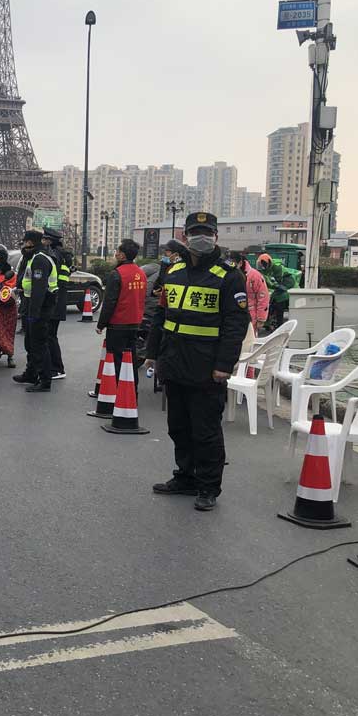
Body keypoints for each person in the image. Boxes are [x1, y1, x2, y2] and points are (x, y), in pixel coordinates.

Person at [145, 212, 248, 511]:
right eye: (194, 232)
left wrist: (224, 366)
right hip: (174, 361)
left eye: (207, 232)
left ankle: (208, 486)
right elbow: (161, 316)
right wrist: (152, 353)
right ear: (185, 236)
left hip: (206, 367)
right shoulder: (173, 271)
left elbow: (235, 326)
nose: (200, 237)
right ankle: (185, 477)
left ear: (216, 236)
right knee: (178, 426)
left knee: (205, 430)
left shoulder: (229, 276)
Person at [96, 239, 147, 393]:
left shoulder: (117, 274)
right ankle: (132, 392)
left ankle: (117, 393)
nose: (116, 254)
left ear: (123, 255)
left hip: (118, 324)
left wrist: (101, 324)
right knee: (131, 359)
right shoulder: (141, 273)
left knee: (116, 360)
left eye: (117, 251)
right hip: (135, 322)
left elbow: (109, 302)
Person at [12, 230, 57, 392]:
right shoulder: (32, 258)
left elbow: (39, 289)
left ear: (30, 242)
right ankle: (31, 373)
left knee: (38, 344)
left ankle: (45, 380)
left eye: (25, 242)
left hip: (40, 307)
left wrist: (34, 313)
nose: (23, 245)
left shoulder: (39, 260)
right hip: (31, 304)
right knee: (30, 343)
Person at [42, 226, 74, 380]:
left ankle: (57, 369)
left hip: (53, 300)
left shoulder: (54, 255)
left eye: (44, 239)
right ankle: (53, 367)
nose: (42, 241)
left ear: (50, 241)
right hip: (58, 299)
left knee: (50, 336)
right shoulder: (62, 255)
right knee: (50, 335)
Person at [229, 251, 268, 334]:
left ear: (240, 263)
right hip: (231, 315)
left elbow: (263, 296)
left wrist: (261, 318)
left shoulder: (255, 276)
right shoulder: (228, 274)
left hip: (250, 316)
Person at [257, 253, 291, 332]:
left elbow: (276, 281)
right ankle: (269, 323)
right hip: (279, 286)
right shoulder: (265, 269)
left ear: (268, 263)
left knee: (279, 302)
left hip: (287, 284)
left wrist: (273, 286)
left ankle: (280, 326)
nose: (262, 267)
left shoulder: (277, 267)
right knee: (271, 302)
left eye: (263, 265)